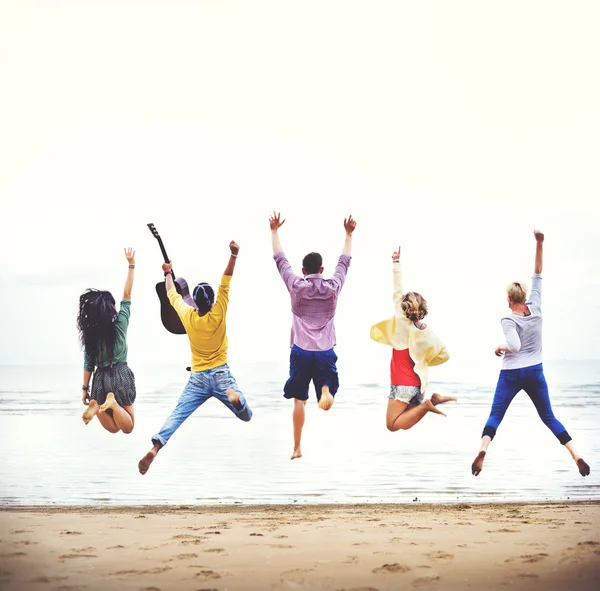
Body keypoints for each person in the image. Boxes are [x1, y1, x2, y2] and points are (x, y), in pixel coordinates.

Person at [472, 230, 590, 477]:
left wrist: (500, 347)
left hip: (511, 373)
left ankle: (483, 449)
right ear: (524, 296)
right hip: (535, 371)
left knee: (496, 415)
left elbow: (513, 346)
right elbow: (537, 272)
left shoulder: (507, 318)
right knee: (549, 417)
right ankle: (576, 454)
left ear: (508, 298)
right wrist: (539, 242)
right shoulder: (535, 305)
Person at [138, 240, 252, 475]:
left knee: (177, 414)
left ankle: (156, 447)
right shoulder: (219, 310)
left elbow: (172, 294)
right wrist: (233, 254)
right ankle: (236, 399)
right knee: (246, 416)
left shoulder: (188, 315)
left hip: (198, 378)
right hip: (221, 375)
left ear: (196, 303)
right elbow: (226, 279)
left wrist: (167, 272)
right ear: (211, 301)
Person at [269, 211, 356, 460]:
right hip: (325, 350)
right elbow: (344, 262)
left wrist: (274, 231)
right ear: (321, 269)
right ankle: (326, 390)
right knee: (325, 393)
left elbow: (280, 260)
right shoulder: (332, 288)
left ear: (303, 270)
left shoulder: (296, 286)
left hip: (300, 350)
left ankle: (297, 447)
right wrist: (348, 234)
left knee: (299, 399)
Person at [370, 246, 453, 432]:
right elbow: (445, 355)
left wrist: (396, 263)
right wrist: (425, 360)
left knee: (392, 425)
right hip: (418, 386)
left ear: (404, 307)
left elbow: (397, 291)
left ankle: (426, 406)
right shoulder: (427, 333)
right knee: (405, 423)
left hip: (402, 385)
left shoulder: (401, 324)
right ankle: (432, 401)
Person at [78, 248, 137, 434]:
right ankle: (112, 404)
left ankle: (96, 406)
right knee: (128, 427)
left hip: (100, 378)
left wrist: (85, 389)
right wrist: (131, 265)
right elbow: (127, 294)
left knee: (113, 428)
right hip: (119, 373)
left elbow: (88, 363)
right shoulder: (119, 324)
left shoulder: (91, 334)